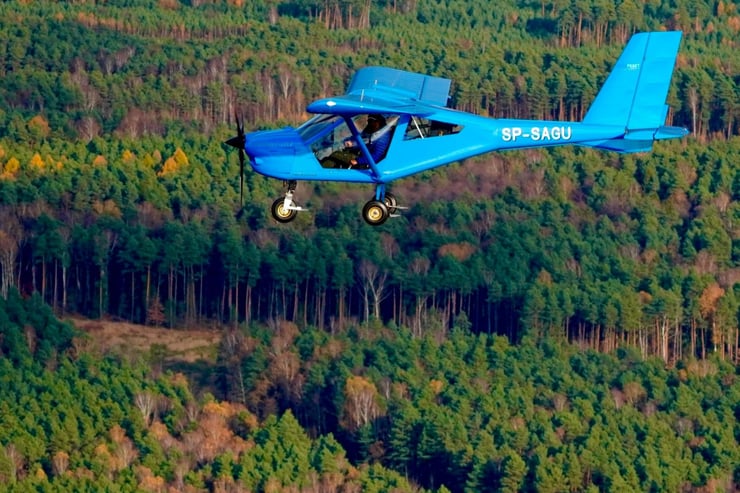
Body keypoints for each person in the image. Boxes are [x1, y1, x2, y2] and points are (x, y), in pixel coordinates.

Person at [321, 114, 392, 169]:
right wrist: (350, 142)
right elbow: (359, 139)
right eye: (368, 120)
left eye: (371, 121)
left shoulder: (383, 137)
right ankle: (322, 166)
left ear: (378, 122)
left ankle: (321, 169)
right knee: (329, 159)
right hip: (359, 154)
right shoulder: (370, 130)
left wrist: (358, 161)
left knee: (335, 155)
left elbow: (376, 156)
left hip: (365, 162)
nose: (369, 123)